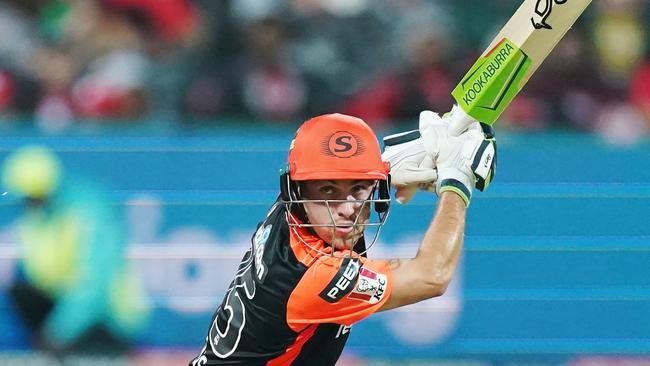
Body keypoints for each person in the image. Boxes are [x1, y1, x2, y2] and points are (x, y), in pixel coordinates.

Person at [189, 110, 496, 366]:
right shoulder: (312, 276)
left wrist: (390, 170)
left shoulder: (290, 209)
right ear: (297, 192)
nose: (348, 208)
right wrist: (456, 182)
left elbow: (335, 175)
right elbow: (433, 276)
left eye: (359, 188)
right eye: (328, 191)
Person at [1, 145, 149, 358]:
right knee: (20, 292)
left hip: (109, 321)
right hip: (65, 312)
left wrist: (58, 332)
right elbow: (44, 276)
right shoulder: (36, 218)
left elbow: (94, 287)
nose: (28, 204)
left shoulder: (89, 213)